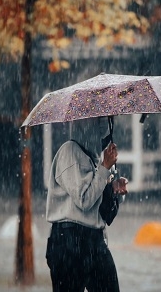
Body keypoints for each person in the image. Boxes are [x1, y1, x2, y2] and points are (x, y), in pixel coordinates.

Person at [45, 116, 128, 292]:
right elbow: (84, 200)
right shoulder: (69, 152)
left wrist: (113, 188)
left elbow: (98, 204)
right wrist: (104, 168)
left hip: (94, 240)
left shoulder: (94, 156)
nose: (103, 127)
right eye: (99, 121)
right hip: (69, 241)